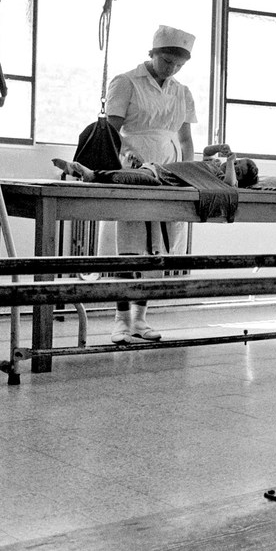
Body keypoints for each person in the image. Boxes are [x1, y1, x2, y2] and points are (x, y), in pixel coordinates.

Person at [103, 24, 198, 344]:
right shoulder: (126, 82)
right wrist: (123, 162)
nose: (171, 69)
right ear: (153, 54)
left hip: (171, 176)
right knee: (128, 249)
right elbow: (110, 132)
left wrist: (191, 176)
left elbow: (185, 139)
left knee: (158, 249)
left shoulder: (181, 91)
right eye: (166, 61)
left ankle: (141, 319)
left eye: (178, 65)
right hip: (133, 173)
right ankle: (120, 320)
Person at [52, 144, 258, 189]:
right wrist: (218, 149)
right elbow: (205, 152)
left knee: (132, 178)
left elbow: (231, 186)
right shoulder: (213, 164)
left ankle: (83, 172)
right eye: (238, 162)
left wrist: (231, 163)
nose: (234, 165)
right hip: (161, 170)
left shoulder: (221, 181)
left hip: (163, 179)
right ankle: (89, 173)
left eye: (238, 169)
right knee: (136, 176)